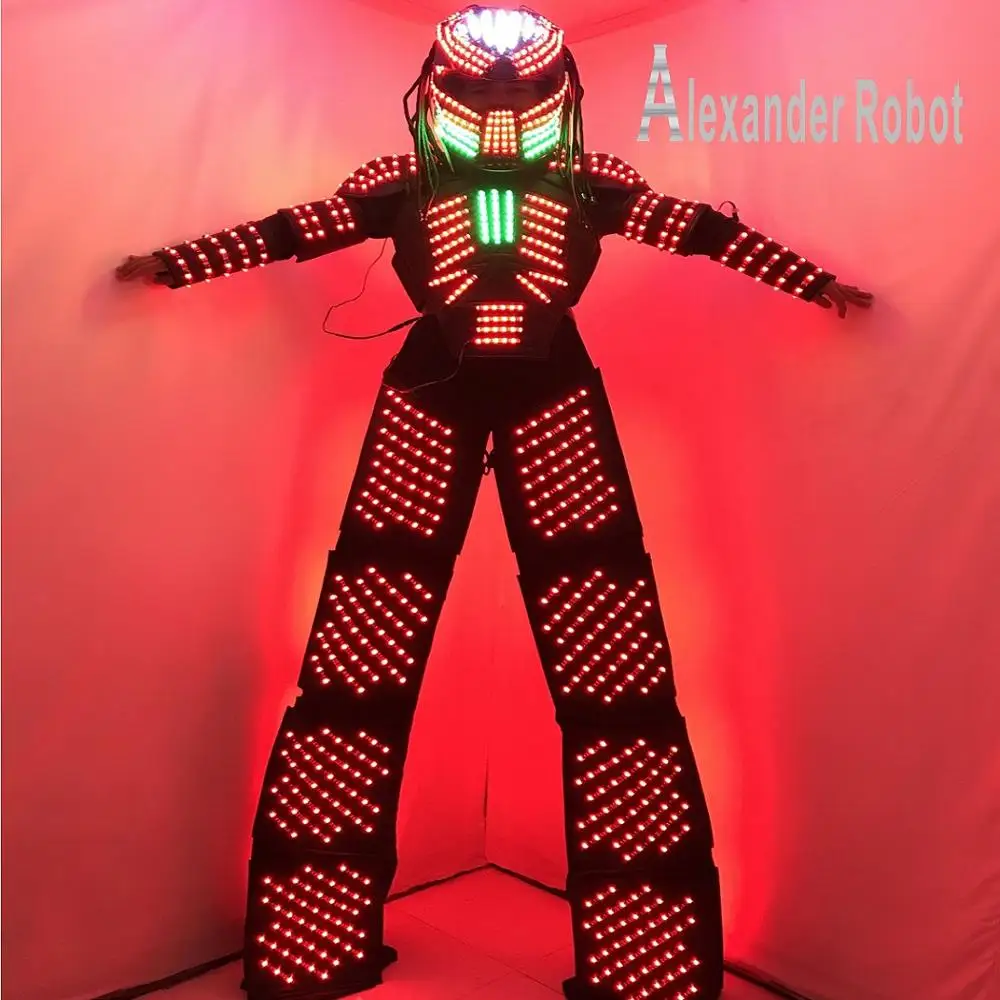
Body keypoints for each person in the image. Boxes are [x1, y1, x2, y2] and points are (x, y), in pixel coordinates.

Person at [117, 8, 872, 1000]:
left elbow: (700, 232)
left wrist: (812, 281)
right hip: (437, 396)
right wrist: (178, 263)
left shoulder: (588, 186)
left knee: (610, 673)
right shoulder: (410, 185)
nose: (504, 119)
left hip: (541, 396)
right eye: (483, 96)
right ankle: (319, 938)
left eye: (523, 95)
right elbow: (292, 230)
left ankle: (639, 960)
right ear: (441, 95)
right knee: (364, 664)